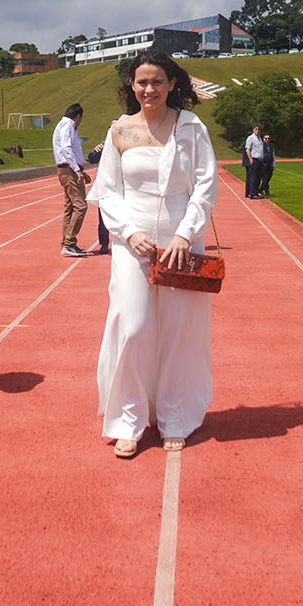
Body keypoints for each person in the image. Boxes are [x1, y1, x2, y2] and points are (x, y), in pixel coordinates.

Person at [89, 50, 218, 458]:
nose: (150, 89)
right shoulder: (120, 132)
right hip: (134, 245)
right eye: (142, 82)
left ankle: (174, 415)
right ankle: (128, 418)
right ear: (132, 85)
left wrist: (184, 234)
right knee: (133, 326)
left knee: (180, 333)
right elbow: (107, 190)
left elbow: (205, 185)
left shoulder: (191, 127)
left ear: (173, 84)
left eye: (157, 81)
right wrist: (129, 231)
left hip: (182, 243)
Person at [52, 103, 90, 257]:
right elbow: (66, 148)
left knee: (70, 207)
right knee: (81, 206)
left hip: (67, 169)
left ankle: (65, 243)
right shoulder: (68, 125)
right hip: (68, 170)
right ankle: (69, 242)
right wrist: (76, 170)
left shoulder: (62, 125)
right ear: (78, 116)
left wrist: (80, 170)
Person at [86, 139, 111, 255]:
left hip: (125, 185)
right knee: (103, 217)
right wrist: (95, 151)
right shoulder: (105, 144)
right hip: (106, 185)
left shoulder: (129, 143)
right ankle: (104, 243)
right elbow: (91, 159)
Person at [244, 123, 265, 198]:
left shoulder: (260, 138)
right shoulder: (251, 138)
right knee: (253, 177)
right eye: (256, 129)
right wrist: (250, 159)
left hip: (260, 160)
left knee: (258, 177)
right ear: (253, 130)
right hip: (254, 159)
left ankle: (256, 192)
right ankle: (252, 194)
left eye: (259, 129)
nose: (257, 130)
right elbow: (248, 149)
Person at [261, 133, 277, 197]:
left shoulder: (271, 146)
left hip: (270, 164)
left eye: (268, 138)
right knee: (265, 178)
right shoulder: (261, 145)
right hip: (263, 164)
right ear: (263, 139)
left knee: (268, 178)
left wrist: (273, 165)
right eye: (266, 138)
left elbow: (273, 155)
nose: (267, 139)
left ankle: (266, 190)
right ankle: (261, 190)